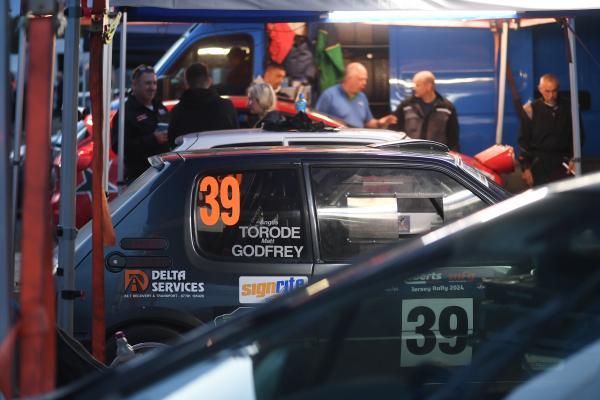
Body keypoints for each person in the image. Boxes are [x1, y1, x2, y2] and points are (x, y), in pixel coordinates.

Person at [111, 64, 170, 182]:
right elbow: (119, 146)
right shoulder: (126, 113)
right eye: (147, 83)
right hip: (139, 179)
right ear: (134, 85)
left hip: (163, 175)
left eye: (154, 83)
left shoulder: (160, 107)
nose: (152, 87)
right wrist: (153, 139)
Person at [518, 73, 578, 187]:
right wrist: (525, 168)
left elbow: (578, 136)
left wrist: (574, 158)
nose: (551, 95)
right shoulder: (530, 110)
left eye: (554, 91)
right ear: (540, 89)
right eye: (547, 91)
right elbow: (523, 142)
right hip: (539, 164)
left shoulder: (569, 107)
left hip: (563, 163)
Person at [167, 63, 239, 147]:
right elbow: (234, 139)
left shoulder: (177, 111)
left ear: (186, 82)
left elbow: (172, 143)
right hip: (219, 159)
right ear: (209, 80)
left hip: (188, 159)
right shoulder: (226, 107)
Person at [390, 71, 459, 151]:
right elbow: (394, 129)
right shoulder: (406, 106)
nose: (414, 88)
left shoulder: (447, 108)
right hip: (410, 155)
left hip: (437, 157)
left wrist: (454, 151)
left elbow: (453, 136)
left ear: (429, 86)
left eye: (417, 85)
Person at [315, 62, 397, 129]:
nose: (365, 83)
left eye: (366, 80)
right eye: (361, 79)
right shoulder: (329, 95)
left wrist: (380, 122)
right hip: (336, 144)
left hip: (357, 143)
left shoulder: (362, 97)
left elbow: (368, 122)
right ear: (349, 78)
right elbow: (316, 120)